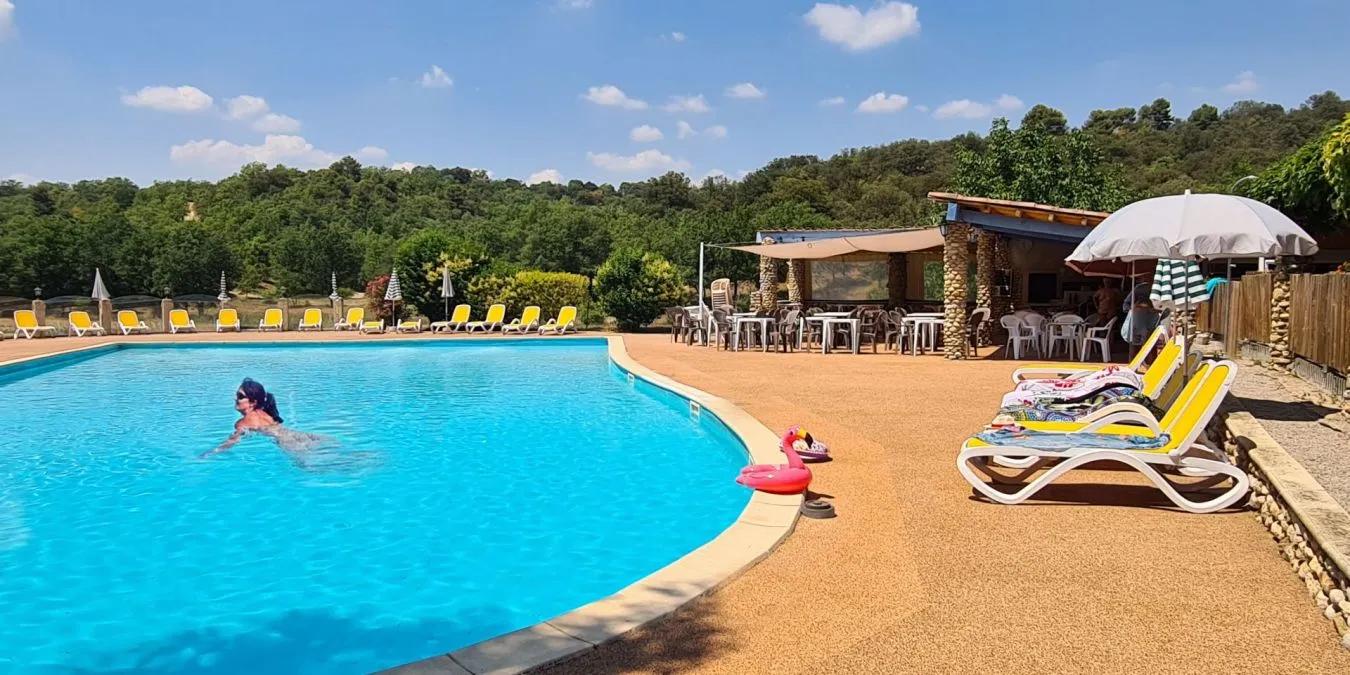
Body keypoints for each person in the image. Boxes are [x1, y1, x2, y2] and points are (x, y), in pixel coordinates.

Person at [204, 378, 328, 457]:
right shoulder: (265, 413)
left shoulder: (242, 422)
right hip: (297, 435)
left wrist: (210, 453)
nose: (236, 399)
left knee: (311, 466)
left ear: (253, 402)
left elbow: (232, 441)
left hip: (285, 441)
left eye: (240, 396)